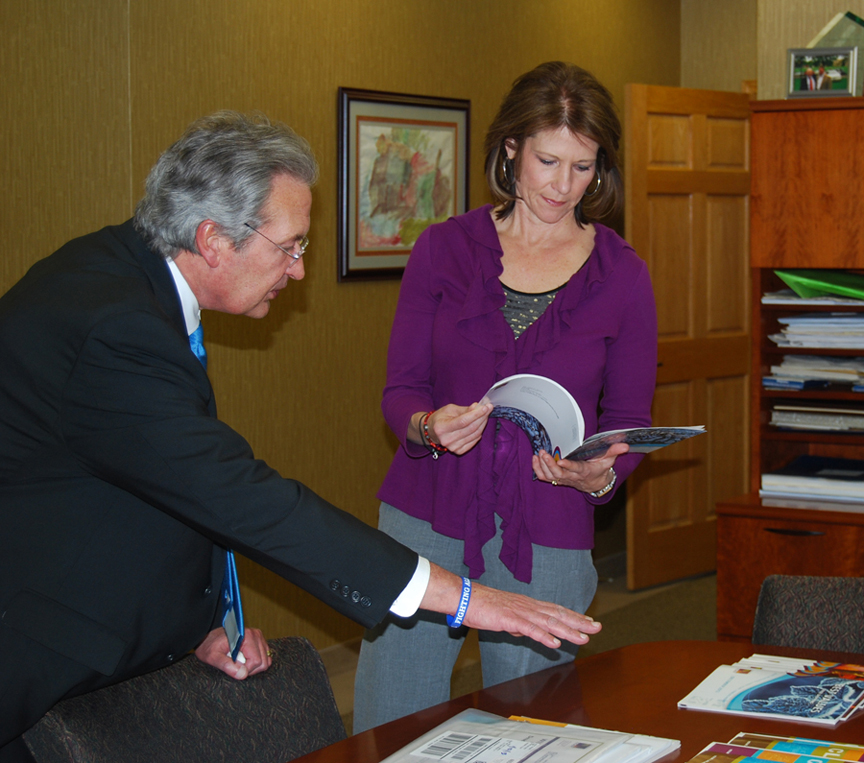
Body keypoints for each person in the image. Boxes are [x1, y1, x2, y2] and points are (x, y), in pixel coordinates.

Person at [0, 111, 602, 762]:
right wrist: (462, 598)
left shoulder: (124, 273)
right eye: (288, 247)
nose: (297, 270)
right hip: (33, 654)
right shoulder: (114, 328)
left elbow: (157, 475)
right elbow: (236, 495)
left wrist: (198, 625)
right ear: (213, 239)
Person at [353, 62, 658, 732]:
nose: (563, 185)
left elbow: (629, 419)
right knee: (394, 711)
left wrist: (601, 472)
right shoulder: (443, 249)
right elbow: (401, 389)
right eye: (548, 161)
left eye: (583, 167)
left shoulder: (623, 275)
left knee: (532, 722)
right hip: (426, 509)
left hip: (548, 521)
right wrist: (428, 425)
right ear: (512, 148)